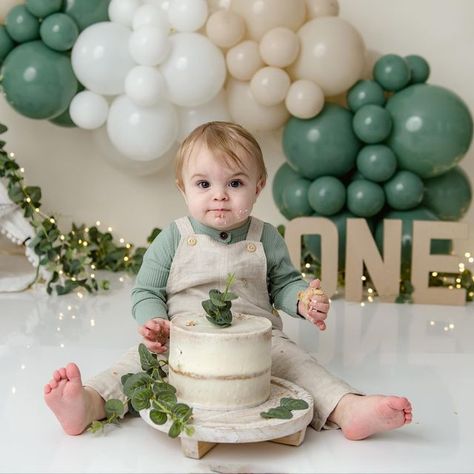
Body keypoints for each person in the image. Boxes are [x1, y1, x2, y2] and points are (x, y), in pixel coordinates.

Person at [44, 121, 412, 440]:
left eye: (235, 182)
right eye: (203, 183)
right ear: (182, 188)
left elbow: (283, 284)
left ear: (258, 186)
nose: (219, 195)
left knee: (300, 365)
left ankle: (348, 410)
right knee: (131, 369)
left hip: (256, 341)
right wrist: (155, 322)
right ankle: (87, 404)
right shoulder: (173, 237)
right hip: (181, 341)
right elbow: (146, 290)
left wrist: (302, 300)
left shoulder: (265, 236)